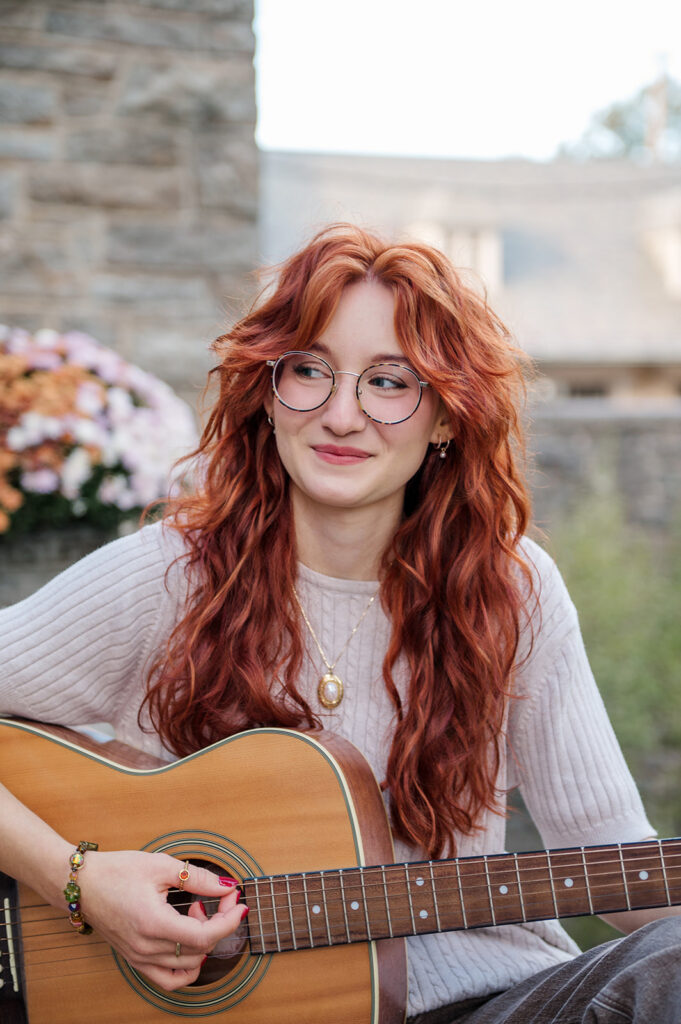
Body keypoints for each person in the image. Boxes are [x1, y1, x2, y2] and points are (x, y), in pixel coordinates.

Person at [0, 223, 679, 1024]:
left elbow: (607, 846)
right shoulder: (172, 575)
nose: (341, 415)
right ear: (267, 394)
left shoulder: (510, 587)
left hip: (495, 1002)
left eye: (389, 382)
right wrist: (76, 880)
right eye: (309, 372)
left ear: (447, 419)